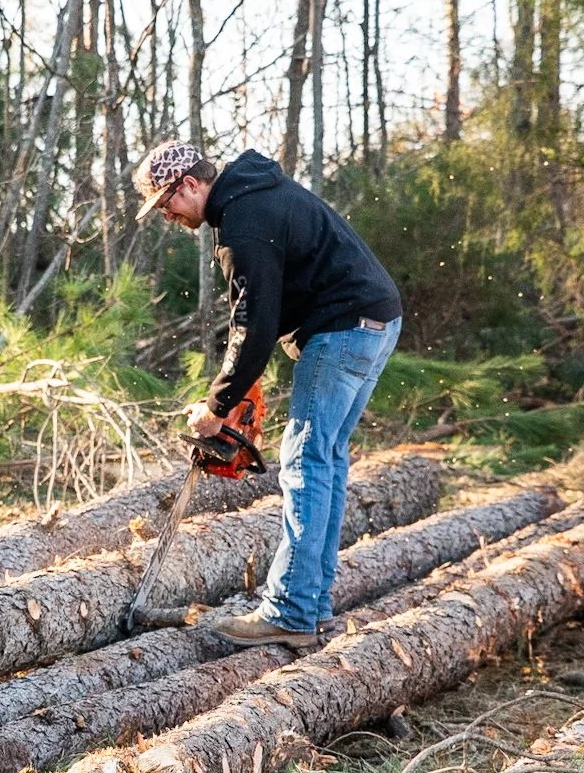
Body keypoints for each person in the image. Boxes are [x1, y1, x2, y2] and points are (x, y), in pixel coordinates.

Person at [134, 139, 402, 650]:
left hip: (343, 327)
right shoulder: (253, 196)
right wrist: (237, 389)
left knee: (303, 463)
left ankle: (291, 610)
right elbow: (269, 306)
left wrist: (216, 409)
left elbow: (252, 323)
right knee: (325, 460)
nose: (167, 217)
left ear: (190, 184)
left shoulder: (243, 223)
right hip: (374, 320)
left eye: (166, 204)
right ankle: (313, 606)